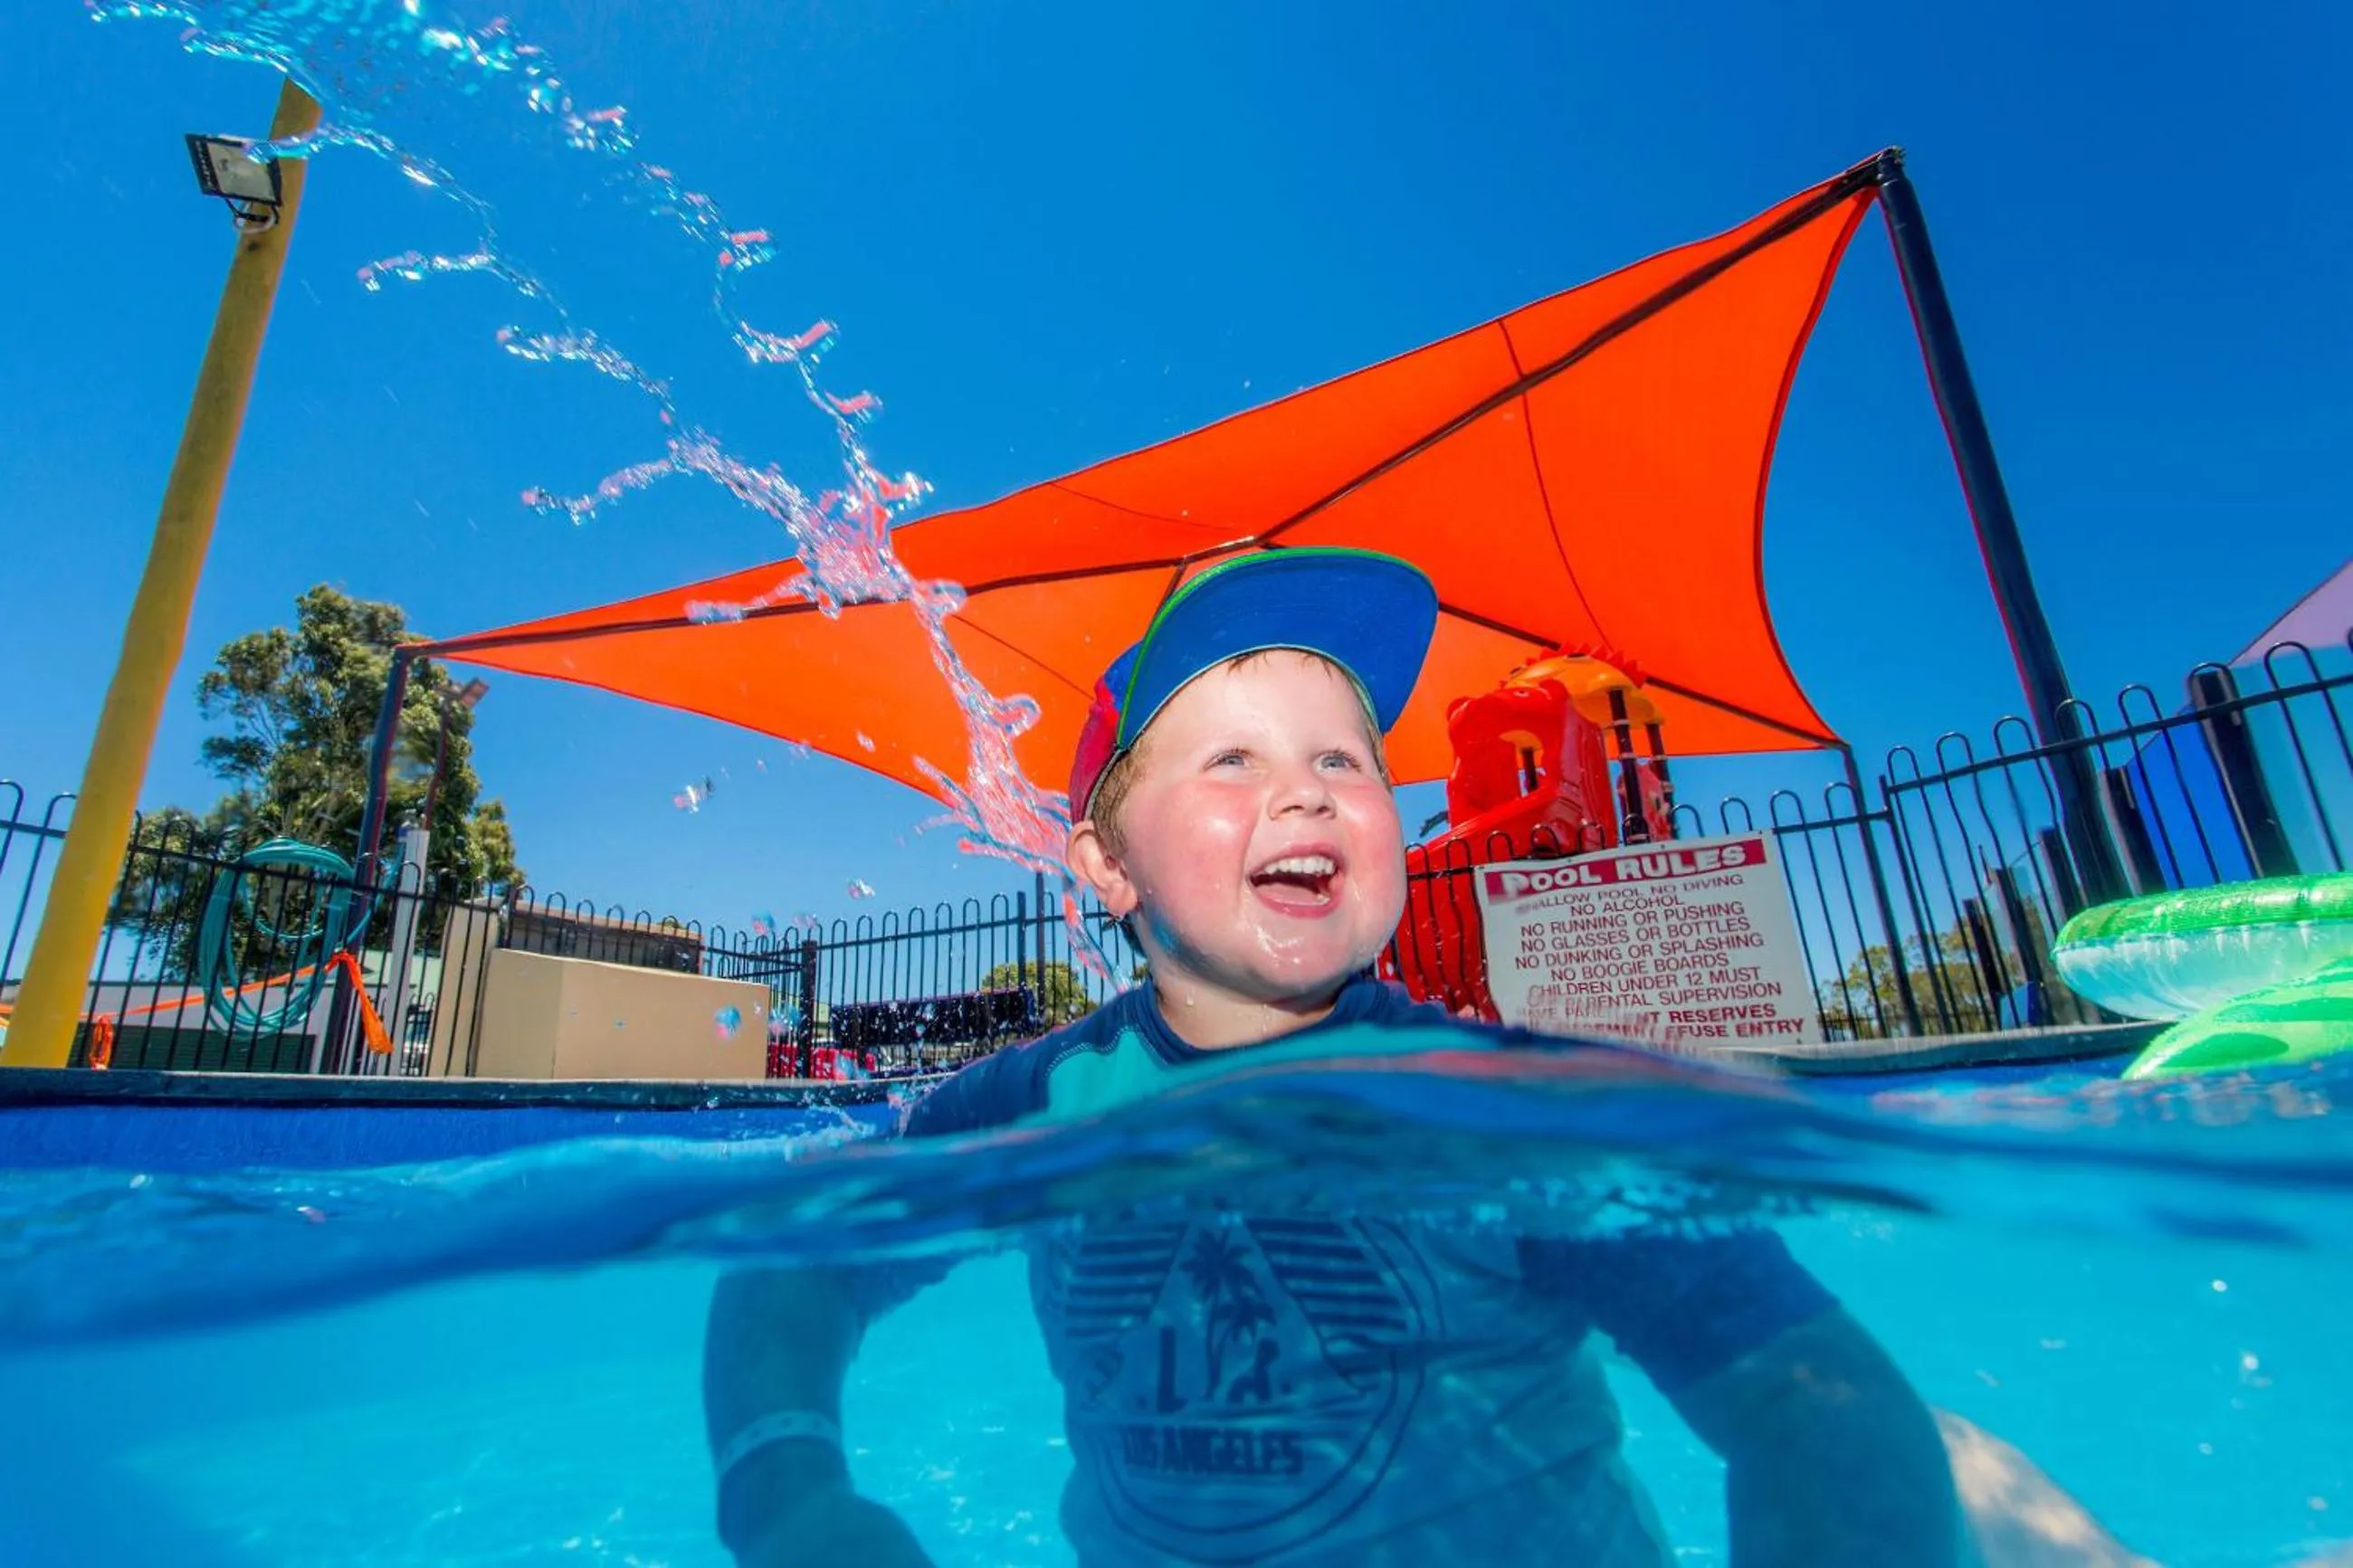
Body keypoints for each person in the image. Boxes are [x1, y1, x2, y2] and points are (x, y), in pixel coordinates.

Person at [703, 548, 1960, 1566]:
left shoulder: (1509, 1114)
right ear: (1106, 861)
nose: (1304, 795)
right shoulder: (1033, 1104)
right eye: (1233, 759)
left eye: (1343, 760)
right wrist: (790, 1493)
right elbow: (792, 1260)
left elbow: (1827, 1415)